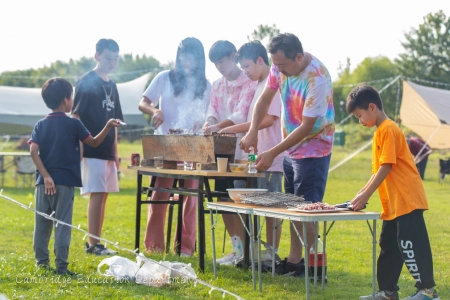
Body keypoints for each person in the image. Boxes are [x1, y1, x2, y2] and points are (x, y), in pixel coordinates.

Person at [240, 33, 335, 277]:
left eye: (282, 65)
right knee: (292, 207)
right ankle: (295, 261)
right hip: (290, 149)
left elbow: (307, 126)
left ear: (299, 57)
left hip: (313, 149)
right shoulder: (278, 67)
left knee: (307, 209)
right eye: (276, 65)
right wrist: (252, 131)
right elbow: (262, 101)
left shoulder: (317, 76)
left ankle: (315, 267)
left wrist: (272, 152)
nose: (278, 70)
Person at [346, 85, 439, 300]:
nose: (360, 121)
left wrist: (366, 195)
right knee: (388, 246)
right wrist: (360, 194)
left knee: (410, 245)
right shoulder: (379, 132)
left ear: (372, 107)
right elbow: (377, 171)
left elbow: (386, 166)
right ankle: (388, 292)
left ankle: (428, 292)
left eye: (360, 116)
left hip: (407, 200)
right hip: (393, 204)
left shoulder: (389, 128)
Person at [29, 78, 121, 275]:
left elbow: (33, 152)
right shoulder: (74, 124)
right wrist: (108, 125)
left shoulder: (40, 124)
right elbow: (94, 142)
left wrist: (45, 176)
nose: (73, 100)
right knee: (62, 225)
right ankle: (61, 267)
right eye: (71, 96)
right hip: (65, 183)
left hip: (41, 184)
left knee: (41, 225)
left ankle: (42, 264)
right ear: (65, 100)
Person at [138, 37, 211, 257]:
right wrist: (155, 111)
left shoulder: (206, 85)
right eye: (183, 55)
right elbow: (144, 102)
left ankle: (185, 248)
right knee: (159, 196)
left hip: (192, 146)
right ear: (178, 56)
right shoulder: (164, 78)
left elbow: (207, 114)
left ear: (199, 59)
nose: (187, 60)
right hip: (165, 145)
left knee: (190, 199)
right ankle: (154, 247)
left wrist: (203, 123)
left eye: (192, 56)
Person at [219, 40, 283, 266]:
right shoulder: (258, 84)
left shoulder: (271, 83)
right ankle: (248, 253)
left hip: (270, 157)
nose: (244, 72)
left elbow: (267, 120)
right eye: (242, 68)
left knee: (272, 208)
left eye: (246, 66)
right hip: (253, 157)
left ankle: (271, 254)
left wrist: (231, 129)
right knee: (247, 205)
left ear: (259, 60)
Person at [202, 40, 257, 265]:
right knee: (224, 199)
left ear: (234, 56)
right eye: (215, 64)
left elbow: (240, 113)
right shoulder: (217, 85)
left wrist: (217, 127)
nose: (219, 67)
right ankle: (236, 249)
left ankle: (247, 251)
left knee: (241, 201)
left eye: (222, 61)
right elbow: (212, 110)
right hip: (221, 151)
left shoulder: (249, 82)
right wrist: (209, 123)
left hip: (243, 149)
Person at [71, 38, 123, 256]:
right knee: (96, 193)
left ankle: (97, 242)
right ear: (97, 56)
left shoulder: (112, 85)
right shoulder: (86, 81)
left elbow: (116, 122)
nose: (112, 62)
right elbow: (75, 115)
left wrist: (116, 152)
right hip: (91, 147)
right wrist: (80, 147)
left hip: (108, 151)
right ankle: (93, 244)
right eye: (108, 58)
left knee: (103, 195)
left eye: (115, 59)